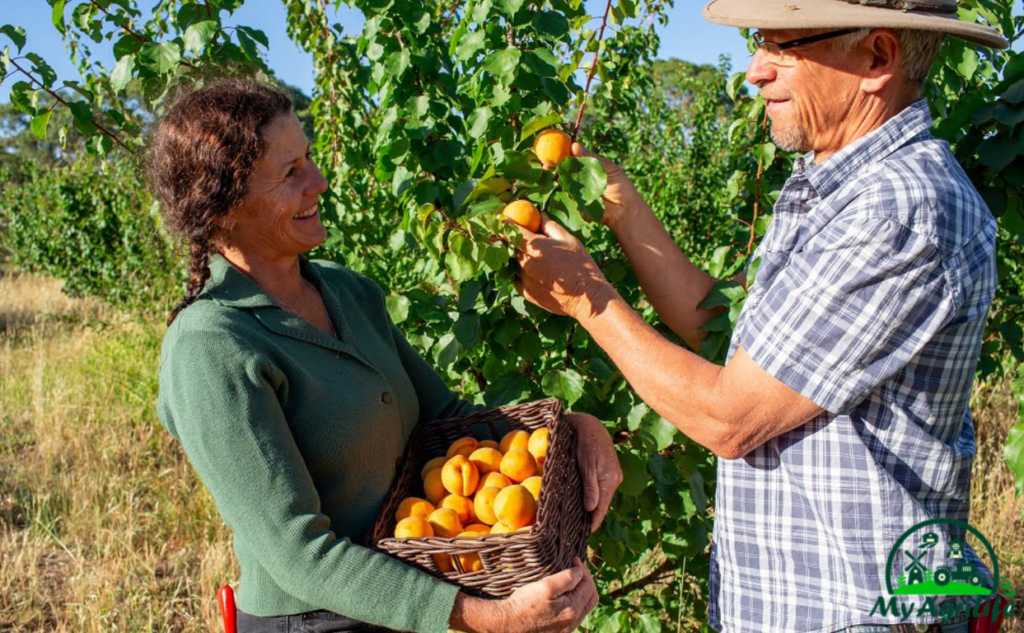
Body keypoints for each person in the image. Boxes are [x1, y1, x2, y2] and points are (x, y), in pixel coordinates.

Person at [513, 2, 1008, 632]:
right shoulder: (832, 182)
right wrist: (616, 198)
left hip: (848, 611)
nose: (754, 70)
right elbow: (722, 329)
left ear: (877, 58)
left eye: (783, 45)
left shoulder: (898, 211)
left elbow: (731, 416)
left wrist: (587, 298)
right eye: (759, 42)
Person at [151, 77, 621, 633]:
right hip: (316, 621)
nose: (319, 182)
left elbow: (445, 421)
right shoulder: (212, 346)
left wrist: (577, 428)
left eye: (310, 160)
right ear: (224, 208)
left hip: (415, 598)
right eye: (289, 173)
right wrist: (489, 616)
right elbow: (299, 553)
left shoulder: (348, 292)